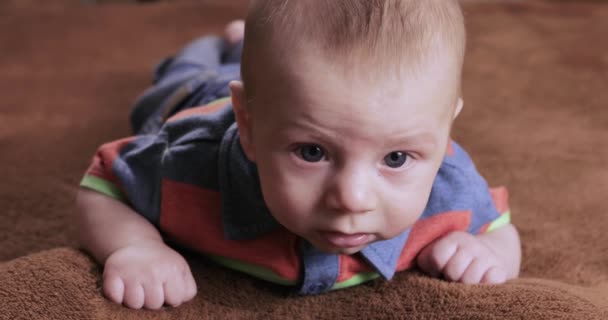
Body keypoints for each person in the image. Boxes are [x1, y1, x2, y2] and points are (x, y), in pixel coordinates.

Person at [76, 0, 521, 310]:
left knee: (270, 73)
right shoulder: (189, 162)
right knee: (183, 76)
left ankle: (246, 44)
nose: (352, 198)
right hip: (198, 96)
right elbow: (105, 184)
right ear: (247, 127)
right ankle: (228, 44)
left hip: (278, 96)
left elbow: (499, 228)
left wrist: (489, 253)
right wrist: (135, 246)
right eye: (312, 152)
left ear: (445, 134)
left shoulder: (451, 187)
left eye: (396, 159)